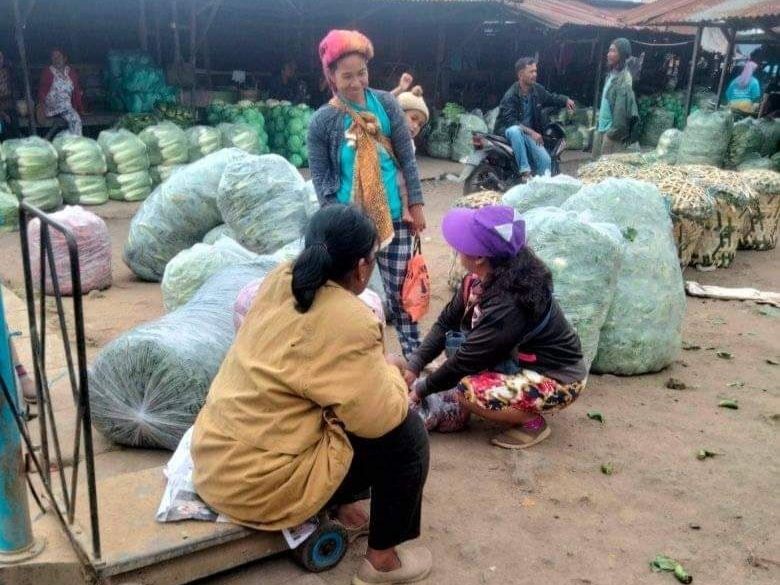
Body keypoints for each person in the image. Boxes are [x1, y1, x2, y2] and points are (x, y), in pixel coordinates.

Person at [191, 205, 432, 585]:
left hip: (213, 461)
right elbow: (382, 416)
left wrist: (377, 366)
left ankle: (344, 504)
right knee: (407, 435)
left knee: (339, 403)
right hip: (257, 485)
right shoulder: (351, 319)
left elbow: (308, 363)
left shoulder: (279, 279)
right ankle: (381, 563)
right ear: (360, 267)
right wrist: (390, 371)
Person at [404, 205, 588, 449]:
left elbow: (465, 361)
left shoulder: (511, 302)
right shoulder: (478, 280)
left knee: (466, 390)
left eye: (464, 242)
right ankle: (510, 391)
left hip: (558, 377)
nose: (458, 248)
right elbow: (446, 322)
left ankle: (532, 422)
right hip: (518, 361)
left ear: (480, 257)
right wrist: (415, 364)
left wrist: (419, 391)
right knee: (452, 366)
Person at [308, 29, 426, 360]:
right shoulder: (322, 122)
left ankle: (414, 361)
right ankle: (346, 362)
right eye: (347, 76)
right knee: (342, 296)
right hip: (351, 225)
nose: (356, 82)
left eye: (362, 73)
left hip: (393, 218)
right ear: (331, 75)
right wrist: (337, 223)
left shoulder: (387, 104)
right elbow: (322, 180)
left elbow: (407, 157)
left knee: (402, 295)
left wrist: (415, 204)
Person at [495, 57, 574, 180]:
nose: (534, 74)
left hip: (527, 135)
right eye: (531, 72)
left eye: (535, 71)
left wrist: (565, 100)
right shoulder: (511, 95)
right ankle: (525, 172)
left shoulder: (536, 90)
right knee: (515, 130)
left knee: (546, 161)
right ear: (521, 74)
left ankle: (540, 189)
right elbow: (511, 121)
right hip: (508, 132)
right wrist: (533, 132)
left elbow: (551, 98)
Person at [594, 38, 639, 158]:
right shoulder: (611, 75)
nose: (609, 54)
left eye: (613, 51)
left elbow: (621, 111)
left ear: (622, 54)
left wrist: (611, 134)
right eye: (609, 50)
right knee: (594, 168)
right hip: (602, 129)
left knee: (604, 171)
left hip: (611, 134)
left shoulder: (624, 78)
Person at [396, 84, 429, 224]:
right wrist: (400, 87)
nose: (416, 126)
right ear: (398, 114)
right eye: (413, 118)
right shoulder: (385, 136)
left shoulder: (410, 143)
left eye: (420, 124)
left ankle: (405, 210)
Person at [37, 48, 83, 135]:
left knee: (75, 119)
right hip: (51, 107)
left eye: (58, 56)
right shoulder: (48, 71)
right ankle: (75, 141)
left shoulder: (70, 72)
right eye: (53, 57)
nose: (56, 59)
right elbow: (42, 90)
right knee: (75, 119)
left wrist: (80, 108)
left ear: (65, 58)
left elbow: (76, 91)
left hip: (66, 107)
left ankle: (74, 142)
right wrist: (41, 106)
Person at [0, 51, 19, 139]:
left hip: (8, 106)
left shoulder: (8, 72)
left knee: (13, 122)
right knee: (2, 127)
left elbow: (15, 91)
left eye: (0, 58)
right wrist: (3, 114)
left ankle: (14, 146)